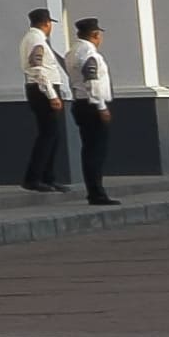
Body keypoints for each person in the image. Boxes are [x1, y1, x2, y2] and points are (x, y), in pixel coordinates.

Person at [13, 3, 75, 196]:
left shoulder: (33, 39)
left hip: (40, 89)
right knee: (48, 135)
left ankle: (48, 177)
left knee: (52, 135)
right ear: (47, 23)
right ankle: (34, 178)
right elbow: (37, 68)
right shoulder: (36, 41)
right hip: (42, 90)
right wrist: (51, 94)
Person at [67, 16, 120, 204]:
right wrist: (101, 106)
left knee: (89, 149)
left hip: (79, 103)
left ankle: (94, 190)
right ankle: (96, 192)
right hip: (91, 105)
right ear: (95, 35)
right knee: (96, 151)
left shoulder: (72, 51)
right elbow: (92, 81)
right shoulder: (90, 54)